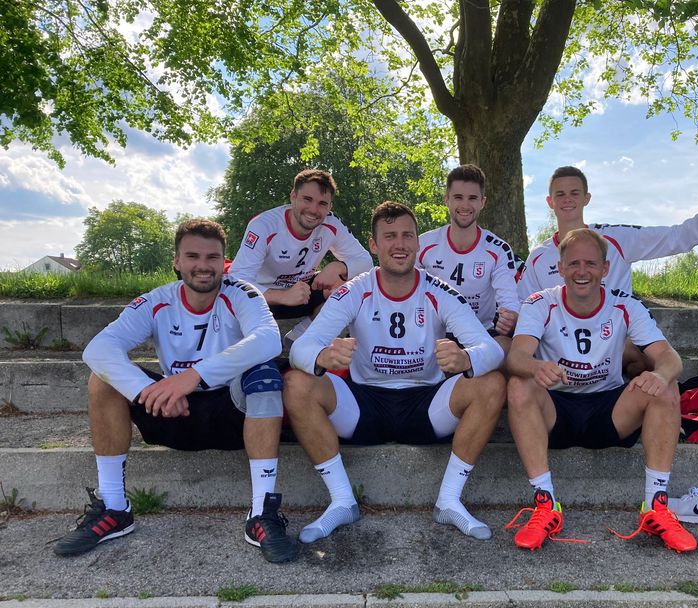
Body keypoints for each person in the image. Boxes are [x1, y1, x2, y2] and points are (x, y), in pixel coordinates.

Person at [53, 219, 297, 563]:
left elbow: (269, 340)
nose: (203, 265)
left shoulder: (242, 292)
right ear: (177, 261)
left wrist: (194, 376)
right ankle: (114, 508)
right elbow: (98, 348)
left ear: (223, 262)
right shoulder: (156, 300)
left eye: (212, 257)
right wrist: (147, 391)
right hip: (174, 412)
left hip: (232, 415)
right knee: (101, 379)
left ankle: (261, 514)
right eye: (192, 256)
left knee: (265, 375)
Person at [284, 201, 506, 543]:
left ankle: (449, 500)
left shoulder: (439, 290)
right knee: (297, 383)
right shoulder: (355, 290)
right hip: (364, 404)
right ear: (374, 245)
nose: (399, 244)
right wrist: (323, 356)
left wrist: (466, 359)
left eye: (407, 235)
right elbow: (301, 348)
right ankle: (342, 500)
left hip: (425, 405)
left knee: (491, 383)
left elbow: (491, 349)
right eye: (389, 236)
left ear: (418, 242)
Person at [506, 228, 696, 554]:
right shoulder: (540, 302)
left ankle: (656, 507)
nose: (582, 271)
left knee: (664, 386)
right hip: (556, 408)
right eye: (574, 263)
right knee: (518, 384)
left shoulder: (625, 304)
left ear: (605, 269)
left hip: (610, 410)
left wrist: (660, 374)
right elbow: (516, 357)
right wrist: (536, 367)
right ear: (560, 268)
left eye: (591, 264)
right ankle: (545, 504)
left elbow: (669, 357)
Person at [517, 167, 698, 376]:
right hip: (560, 350)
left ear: (587, 198)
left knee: (648, 356)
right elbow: (524, 305)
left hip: (615, 344)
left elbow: (676, 237)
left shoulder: (617, 238)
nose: (567, 199)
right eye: (560, 194)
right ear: (550, 201)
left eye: (575, 193)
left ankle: (636, 393)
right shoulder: (538, 256)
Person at [229, 168, 373, 334]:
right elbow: (237, 281)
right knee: (235, 299)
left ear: (329, 207)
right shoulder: (264, 225)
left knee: (351, 283)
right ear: (293, 197)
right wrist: (282, 296)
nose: (313, 210)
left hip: (302, 294)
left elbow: (366, 262)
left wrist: (339, 267)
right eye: (307, 199)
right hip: (263, 299)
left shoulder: (332, 223)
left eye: (322, 204)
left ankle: (300, 337)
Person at [417, 165, 520, 351]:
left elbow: (509, 301)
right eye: (458, 197)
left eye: (472, 198)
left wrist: (511, 318)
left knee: (508, 348)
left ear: (482, 202)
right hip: (436, 334)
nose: (465, 205)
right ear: (447, 200)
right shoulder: (422, 244)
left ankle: (471, 363)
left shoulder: (498, 249)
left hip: (481, 335)